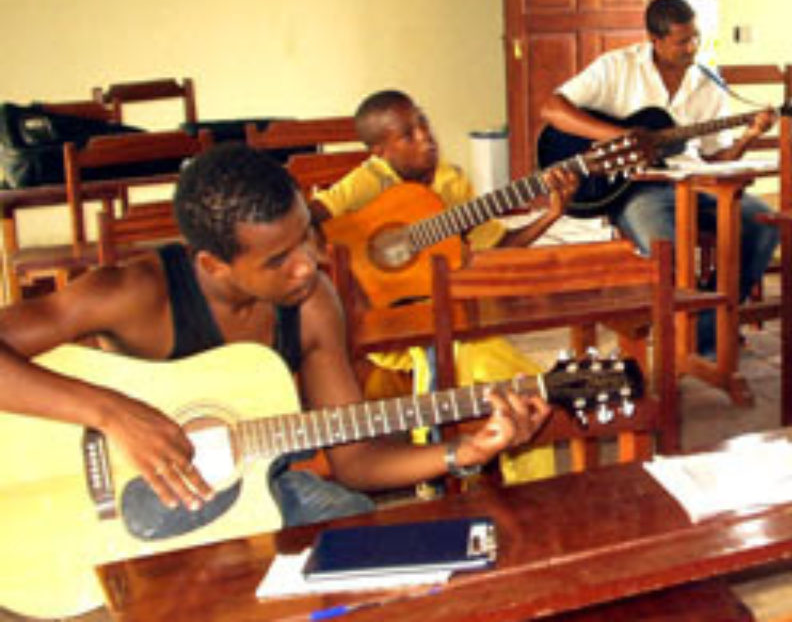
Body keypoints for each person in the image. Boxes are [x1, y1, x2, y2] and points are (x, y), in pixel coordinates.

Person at [0, 143, 551, 526]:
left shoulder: (311, 303)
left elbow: (354, 463)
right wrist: (112, 413)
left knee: (355, 527)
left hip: (255, 490)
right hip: (113, 502)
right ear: (214, 266)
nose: (308, 266)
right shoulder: (133, 294)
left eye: (306, 238)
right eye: (278, 259)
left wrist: (466, 450)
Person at [310, 89, 578, 484]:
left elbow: (497, 248)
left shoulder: (451, 182)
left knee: (507, 378)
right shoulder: (368, 181)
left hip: (450, 322)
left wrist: (551, 215)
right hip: (389, 327)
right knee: (488, 367)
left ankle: (516, 483)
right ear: (379, 150)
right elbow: (306, 222)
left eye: (424, 124)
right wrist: (352, 277)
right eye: (408, 135)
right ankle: (455, 471)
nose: (426, 138)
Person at [539, 0, 780, 357]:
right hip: (636, 189)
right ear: (655, 40)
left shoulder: (708, 83)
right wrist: (621, 138)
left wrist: (749, 135)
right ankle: (694, 338)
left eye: (696, 37)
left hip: (696, 180)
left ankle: (698, 338)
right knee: (669, 250)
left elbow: (716, 156)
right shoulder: (616, 68)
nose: (692, 47)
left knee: (764, 223)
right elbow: (552, 109)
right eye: (682, 41)